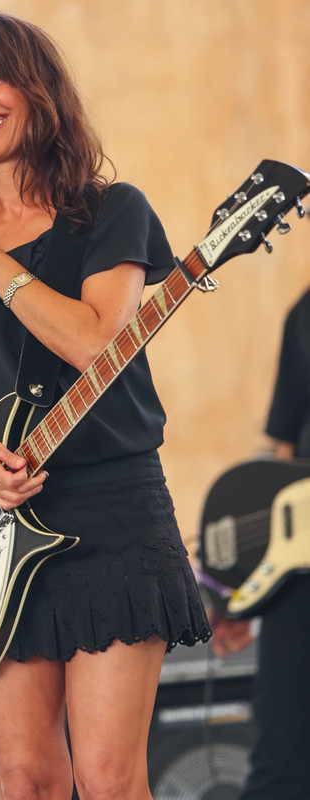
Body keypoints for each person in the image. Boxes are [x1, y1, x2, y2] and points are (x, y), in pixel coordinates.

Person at [0, 13, 211, 800]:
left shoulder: (109, 213)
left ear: (37, 88)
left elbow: (95, 342)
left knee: (106, 779)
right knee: (24, 778)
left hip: (111, 514)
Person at [206, 284, 310, 800]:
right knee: (281, 763)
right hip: (301, 581)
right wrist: (248, 586)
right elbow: (285, 452)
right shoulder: (306, 311)